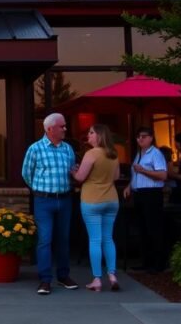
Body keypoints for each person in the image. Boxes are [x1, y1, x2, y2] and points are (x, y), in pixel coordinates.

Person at [22, 113, 80, 295]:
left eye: (64, 126)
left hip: (64, 199)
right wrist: (39, 190)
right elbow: (26, 173)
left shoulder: (68, 149)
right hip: (44, 200)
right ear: (49, 129)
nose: (65, 129)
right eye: (61, 126)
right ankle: (45, 280)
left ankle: (63, 276)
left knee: (63, 239)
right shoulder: (35, 149)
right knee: (45, 240)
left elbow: (72, 170)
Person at [70, 123, 121, 291]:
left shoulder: (91, 153)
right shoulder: (114, 154)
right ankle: (112, 275)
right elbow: (116, 176)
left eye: (91, 133)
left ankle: (97, 279)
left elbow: (80, 177)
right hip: (111, 199)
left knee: (95, 240)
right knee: (108, 238)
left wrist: (73, 172)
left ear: (99, 135)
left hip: (92, 200)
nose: (88, 136)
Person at [123, 126, 168, 274]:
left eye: (143, 136)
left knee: (153, 228)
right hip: (140, 193)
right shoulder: (139, 154)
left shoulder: (155, 154)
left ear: (151, 138)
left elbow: (162, 175)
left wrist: (143, 170)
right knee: (143, 228)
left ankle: (158, 263)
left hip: (152, 193)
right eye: (138, 137)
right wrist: (130, 185)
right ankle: (146, 261)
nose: (140, 139)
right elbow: (136, 174)